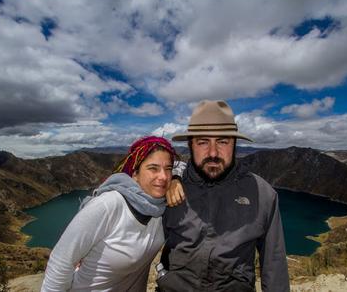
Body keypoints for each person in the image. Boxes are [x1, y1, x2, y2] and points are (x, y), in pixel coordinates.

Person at [158, 100, 290, 292]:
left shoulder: (262, 194)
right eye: (203, 142)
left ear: (234, 144)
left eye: (223, 141)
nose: (213, 152)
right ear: (190, 145)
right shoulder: (169, 187)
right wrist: (175, 176)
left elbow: (274, 264)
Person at [41, 136, 177, 291]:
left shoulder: (161, 207)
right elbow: (61, 262)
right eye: (153, 168)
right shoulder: (108, 205)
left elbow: (192, 168)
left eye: (168, 169)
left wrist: (177, 179)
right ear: (135, 174)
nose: (163, 176)